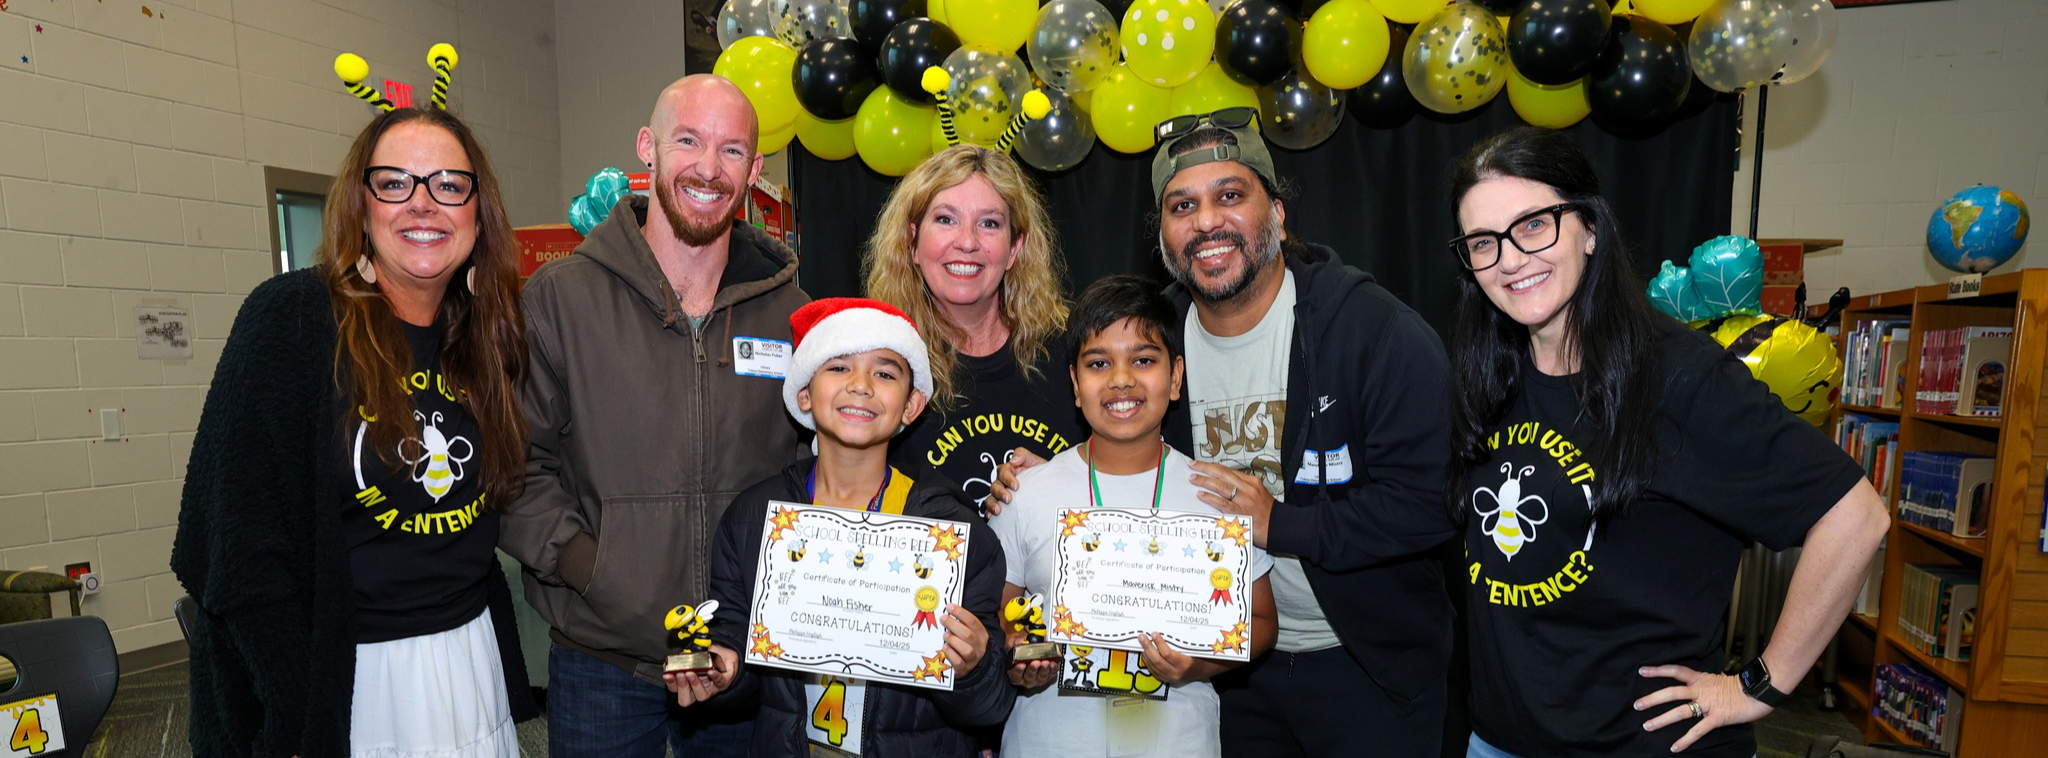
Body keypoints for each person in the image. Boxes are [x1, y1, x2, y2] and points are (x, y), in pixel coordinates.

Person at [1445, 127, 1889, 758]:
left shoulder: (1677, 377)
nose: (1512, 258)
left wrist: (1758, 687)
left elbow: (1855, 518)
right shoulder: (1490, 373)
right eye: (1484, 243)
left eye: (1535, 225)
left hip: (1641, 746)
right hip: (1499, 740)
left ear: (1589, 229)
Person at [173, 106, 537, 757]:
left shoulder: (480, 335)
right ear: (360, 207)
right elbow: (230, 551)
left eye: (450, 185)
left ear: (478, 213)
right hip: (347, 682)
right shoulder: (292, 320)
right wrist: (295, 705)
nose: (423, 203)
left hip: (467, 660)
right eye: (395, 182)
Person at [500, 74, 809, 757]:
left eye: (732, 151)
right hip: (603, 657)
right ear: (649, 148)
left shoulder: (790, 314)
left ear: (755, 170)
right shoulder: (561, 299)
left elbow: (811, 471)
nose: (708, 168)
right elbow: (518, 465)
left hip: (740, 661)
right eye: (688, 141)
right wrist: (597, 573)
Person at [674, 298, 1013, 756]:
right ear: (804, 395)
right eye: (837, 368)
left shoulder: (953, 536)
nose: (860, 386)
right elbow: (740, 649)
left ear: (912, 405)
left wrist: (973, 667)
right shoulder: (755, 519)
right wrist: (722, 670)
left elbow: (990, 707)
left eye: (885, 373)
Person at [988, 275, 1278, 757]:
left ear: (1176, 376)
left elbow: (1263, 620)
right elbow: (996, 612)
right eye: (1099, 363)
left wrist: (1199, 665)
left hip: (1179, 741)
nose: (1122, 379)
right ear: (1076, 385)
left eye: (1143, 360)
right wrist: (1020, 652)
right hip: (1048, 742)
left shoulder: (1219, 495)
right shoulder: (1026, 493)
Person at [865, 145, 1085, 513]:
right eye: (946, 220)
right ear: (912, 242)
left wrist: (1061, 490)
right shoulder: (878, 365)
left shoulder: (1075, 353)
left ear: (1014, 248)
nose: (967, 242)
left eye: (989, 223)